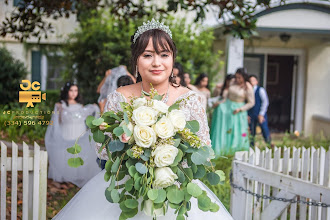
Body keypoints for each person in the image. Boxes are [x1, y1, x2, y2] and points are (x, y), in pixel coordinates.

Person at [53, 20, 233, 220]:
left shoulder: (190, 99)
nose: (157, 63)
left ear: (173, 59)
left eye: (164, 55)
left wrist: (167, 156)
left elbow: (203, 148)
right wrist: (132, 147)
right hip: (127, 187)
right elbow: (102, 148)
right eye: (148, 55)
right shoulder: (119, 97)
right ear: (136, 60)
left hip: (173, 188)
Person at [45, 82, 101, 188]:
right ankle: (63, 177)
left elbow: (86, 117)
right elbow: (58, 121)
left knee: (77, 151)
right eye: (71, 90)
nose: (74, 93)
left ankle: (76, 176)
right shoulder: (60, 105)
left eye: (76, 90)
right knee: (65, 151)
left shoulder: (81, 106)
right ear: (67, 91)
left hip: (79, 130)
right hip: (66, 130)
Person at [211, 68, 255, 156]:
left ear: (244, 77)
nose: (237, 79)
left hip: (238, 110)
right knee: (225, 128)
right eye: (236, 77)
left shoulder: (248, 86)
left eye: (239, 78)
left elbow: (251, 103)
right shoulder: (232, 82)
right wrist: (220, 102)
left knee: (237, 130)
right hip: (228, 106)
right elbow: (226, 96)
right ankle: (222, 150)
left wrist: (241, 109)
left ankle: (236, 151)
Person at [96, 75, 135, 169]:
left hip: (117, 140)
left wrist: (101, 109)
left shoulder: (112, 98)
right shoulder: (135, 99)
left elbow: (104, 120)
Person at [248, 74, 271, 146]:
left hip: (260, 113)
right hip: (251, 114)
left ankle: (268, 143)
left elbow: (265, 102)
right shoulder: (247, 91)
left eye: (253, 80)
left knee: (264, 128)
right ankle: (251, 146)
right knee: (251, 130)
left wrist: (261, 114)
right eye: (250, 81)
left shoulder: (260, 90)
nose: (251, 82)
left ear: (256, 82)